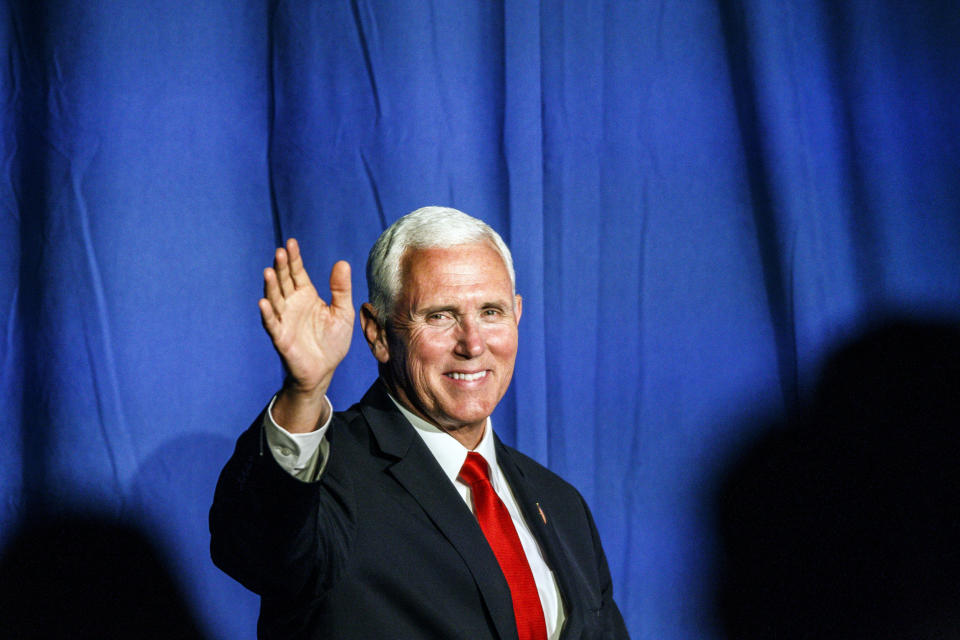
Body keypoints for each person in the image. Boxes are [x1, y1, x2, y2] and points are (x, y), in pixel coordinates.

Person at [210, 206, 629, 639]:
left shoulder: (561, 505)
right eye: (440, 315)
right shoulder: (331, 477)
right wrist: (305, 393)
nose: (472, 343)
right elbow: (259, 550)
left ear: (517, 315)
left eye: (491, 311)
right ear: (377, 332)